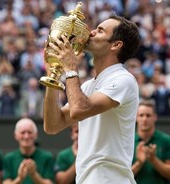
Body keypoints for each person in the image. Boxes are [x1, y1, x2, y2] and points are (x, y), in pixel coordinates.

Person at [43, 14, 141, 184]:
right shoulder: (88, 86)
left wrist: (71, 68)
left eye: (100, 30)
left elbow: (79, 110)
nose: (92, 32)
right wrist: (54, 74)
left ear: (116, 45)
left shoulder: (124, 80)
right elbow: (53, 125)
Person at [131, 100, 170, 184]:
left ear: (155, 117)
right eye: (141, 115)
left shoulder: (166, 140)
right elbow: (121, 177)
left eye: (148, 115)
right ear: (136, 117)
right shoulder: (128, 141)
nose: (144, 119)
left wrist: (153, 160)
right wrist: (139, 163)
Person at [3, 118, 54, 184]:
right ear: (15, 135)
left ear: (36, 135)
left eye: (30, 132)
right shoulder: (9, 158)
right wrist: (20, 178)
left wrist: (34, 174)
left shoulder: (47, 157)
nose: (26, 136)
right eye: (22, 132)